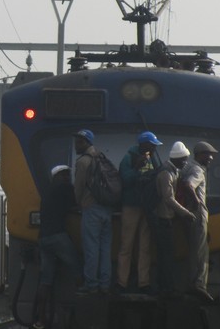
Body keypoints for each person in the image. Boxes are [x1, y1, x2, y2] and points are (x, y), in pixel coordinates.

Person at [33, 164, 79, 329]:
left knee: (46, 280)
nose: (68, 177)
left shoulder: (47, 192)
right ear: (58, 177)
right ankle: (77, 313)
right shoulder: (65, 188)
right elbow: (76, 202)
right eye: (65, 174)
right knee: (78, 269)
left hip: (43, 238)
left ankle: (40, 319)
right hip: (57, 236)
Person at [115, 131, 162, 294]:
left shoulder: (153, 158)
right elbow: (124, 179)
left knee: (145, 246)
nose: (155, 147)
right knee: (126, 245)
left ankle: (144, 282)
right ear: (143, 145)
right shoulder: (129, 158)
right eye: (153, 145)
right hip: (131, 205)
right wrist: (136, 169)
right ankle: (122, 282)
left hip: (147, 207)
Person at [154, 141, 196, 298]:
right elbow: (168, 198)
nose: (185, 163)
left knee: (168, 255)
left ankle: (167, 286)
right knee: (165, 256)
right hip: (162, 219)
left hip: (169, 219)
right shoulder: (166, 173)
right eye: (184, 159)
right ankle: (165, 287)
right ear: (177, 159)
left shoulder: (174, 171)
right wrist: (185, 212)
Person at [73, 129, 112, 294]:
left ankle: (91, 284)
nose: (76, 145)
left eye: (79, 142)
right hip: (107, 210)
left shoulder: (83, 162)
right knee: (105, 250)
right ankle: (105, 284)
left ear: (86, 143)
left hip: (91, 209)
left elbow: (79, 188)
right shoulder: (101, 157)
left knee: (91, 249)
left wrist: (78, 203)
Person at [180, 141, 218, 302]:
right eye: (207, 154)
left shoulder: (187, 167)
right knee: (201, 251)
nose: (210, 158)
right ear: (199, 155)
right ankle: (199, 285)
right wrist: (196, 201)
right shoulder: (197, 170)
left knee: (194, 249)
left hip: (188, 213)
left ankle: (192, 282)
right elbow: (189, 185)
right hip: (198, 213)